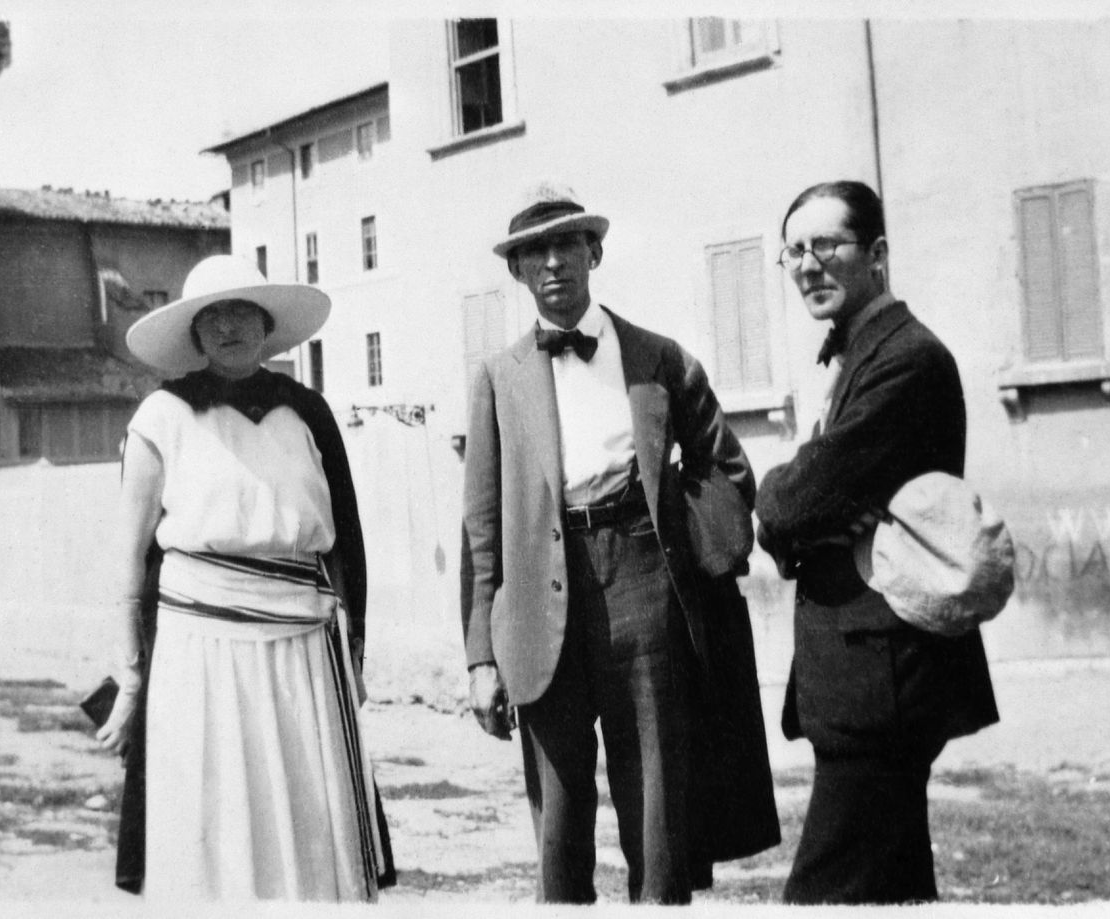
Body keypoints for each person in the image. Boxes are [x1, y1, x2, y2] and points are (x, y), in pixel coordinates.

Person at [461, 182, 775, 904]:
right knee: (560, 813)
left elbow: (727, 469)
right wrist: (481, 654)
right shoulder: (497, 378)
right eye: (533, 252)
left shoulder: (656, 357)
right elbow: (482, 526)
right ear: (515, 272)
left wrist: (684, 549)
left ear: (594, 251)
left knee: (658, 794)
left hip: (642, 577)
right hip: (539, 592)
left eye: (566, 245)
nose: (551, 264)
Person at [95, 254, 389, 900]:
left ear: (266, 323)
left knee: (306, 808)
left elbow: (347, 542)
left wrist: (355, 652)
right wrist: (130, 672)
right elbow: (129, 551)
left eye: (242, 312)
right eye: (213, 316)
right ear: (195, 333)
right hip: (200, 652)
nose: (229, 326)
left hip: (303, 654)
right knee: (214, 807)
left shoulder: (308, 412)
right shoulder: (162, 416)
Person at [754, 180, 999, 904]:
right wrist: (812, 498)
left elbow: (796, 502)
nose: (808, 264)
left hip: (884, 680)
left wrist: (783, 497)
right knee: (893, 889)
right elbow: (817, 496)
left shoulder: (907, 360)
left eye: (827, 244)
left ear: (879, 254)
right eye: (794, 250)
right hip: (865, 674)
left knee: (825, 894)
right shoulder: (857, 355)